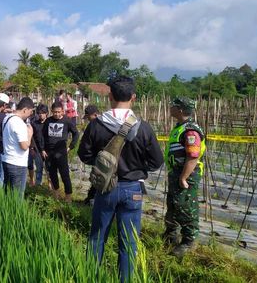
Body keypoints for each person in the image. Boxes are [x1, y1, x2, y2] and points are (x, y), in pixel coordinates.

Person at [77, 76, 163, 282]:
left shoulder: (97, 125)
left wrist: (103, 165)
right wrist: (138, 167)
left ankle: (91, 276)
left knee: (97, 237)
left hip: (105, 188)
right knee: (128, 242)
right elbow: (157, 161)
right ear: (133, 97)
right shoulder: (143, 127)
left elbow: (84, 155)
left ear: (110, 96)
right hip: (133, 189)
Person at [164, 97, 206, 257]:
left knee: (186, 208)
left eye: (173, 106)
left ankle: (189, 242)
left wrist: (183, 177)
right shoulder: (180, 127)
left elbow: (193, 156)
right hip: (176, 173)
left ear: (180, 109)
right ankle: (170, 236)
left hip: (186, 176)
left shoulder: (190, 131)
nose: (170, 108)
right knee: (173, 206)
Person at [40, 101, 79, 202]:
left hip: (61, 152)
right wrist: (43, 149)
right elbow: (42, 136)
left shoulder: (67, 121)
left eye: (59, 112)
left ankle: (68, 197)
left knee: (64, 174)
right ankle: (55, 195)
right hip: (49, 152)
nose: (56, 114)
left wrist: (70, 147)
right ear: (51, 111)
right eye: (54, 112)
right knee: (52, 174)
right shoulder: (48, 121)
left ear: (62, 111)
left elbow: (76, 134)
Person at [1, 97, 35, 198]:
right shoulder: (19, 123)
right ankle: (15, 213)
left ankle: (6, 212)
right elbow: (24, 146)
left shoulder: (7, 118)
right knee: (17, 197)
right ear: (25, 110)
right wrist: (30, 134)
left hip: (6, 160)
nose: (30, 114)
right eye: (30, 112)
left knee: (7, 193)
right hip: (17, 164)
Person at [81, 105, 100, 204]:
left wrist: (89, 158)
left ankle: (91, 199)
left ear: (95, 115)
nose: (88, 119)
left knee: (97, 179)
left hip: (100, 158)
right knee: (95, 180)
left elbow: (85, 146)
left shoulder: (94, 125)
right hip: (103, 158)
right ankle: (90, 198)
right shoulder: (108, 123)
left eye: (89, 117)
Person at [29, 103, 49, 186]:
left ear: (46, 113)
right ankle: (38, 185)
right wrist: (32, 148)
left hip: (48, 150)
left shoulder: (49, 123)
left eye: (42, 113)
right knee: (39, 168)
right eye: (39, 113)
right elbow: (31, 137)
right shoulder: (34, 124)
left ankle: (50, 185)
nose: (40, 115)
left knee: (49, 169)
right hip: (37, 149)